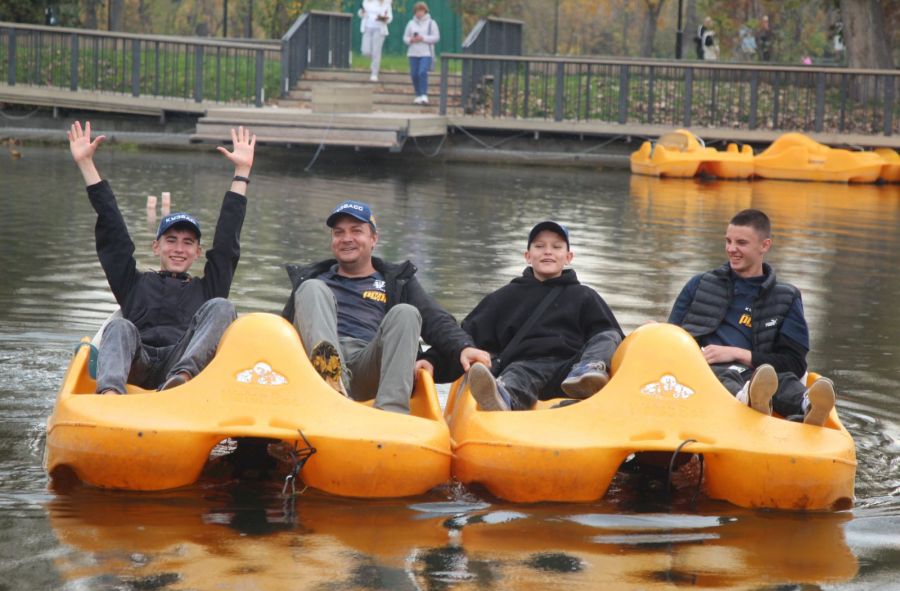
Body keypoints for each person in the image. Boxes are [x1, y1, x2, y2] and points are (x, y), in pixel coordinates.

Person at [68, 121, 256, 395]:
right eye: (171, 241)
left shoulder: (207, 288)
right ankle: (109, 397)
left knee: (223, 306)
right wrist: (87, 165)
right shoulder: (133, 283)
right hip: (137, 361)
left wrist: (241, 172)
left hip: (180, 363)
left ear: (197, 252)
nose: (179, 249)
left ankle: (182, 379)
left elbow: (228, 243)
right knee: (119, 325)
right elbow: (113, 232)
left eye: (188, 243)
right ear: (156, 247)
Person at [281, 201, 490, 414]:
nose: (346, 239)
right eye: (338, 232)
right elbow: (283, 330)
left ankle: (392, 413)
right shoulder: (312, 279)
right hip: (314, 368)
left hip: (369, 363)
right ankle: (331, 380)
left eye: (356, 231)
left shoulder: (396, 281)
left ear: (373, 238)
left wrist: (463, 346)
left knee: (406, 313)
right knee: (312, 288)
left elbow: (436, 319)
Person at [425, 222, 623, 412]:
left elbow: (615, 342)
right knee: (519, 372)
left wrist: (645, 335)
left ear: (568, 257)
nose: (548, 251)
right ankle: (504, 396)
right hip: (527, 366)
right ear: (528, 256)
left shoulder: (585, 296)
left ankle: (588, 378)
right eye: (539, 246)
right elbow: (467, 337)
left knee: (609, 335)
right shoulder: (504, 297)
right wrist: (431, 360)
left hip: (571, 372)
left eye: (556, 247)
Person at [667, 209, 835, 426]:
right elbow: (673, 337)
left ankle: (808, 404)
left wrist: (739, 353)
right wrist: (658, 332)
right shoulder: (699, 284)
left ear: (764, 245)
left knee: (779, 379)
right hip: (704, 370)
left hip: (758, 373)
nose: (731, 249)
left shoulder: (786, 297)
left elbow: (794, 363)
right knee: (725, 375)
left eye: (741, 243)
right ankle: (745, 400)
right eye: (728, 241)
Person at [403, 1, 440, 105]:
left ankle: (424, 94)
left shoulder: (431, 23)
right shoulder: (411, 23)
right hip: (413, 53)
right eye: (417, 11)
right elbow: (405, 37)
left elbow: (436, 37)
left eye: (421, 11)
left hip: (426, 53)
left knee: (422, 72)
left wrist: (423, 38)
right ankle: (418, 94)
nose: (419, 13)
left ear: (425, 11)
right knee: (414, 74)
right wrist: (411, 40)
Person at [358, 0, 392, 82]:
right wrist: (361, 13)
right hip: (367, 28)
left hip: (379, 29)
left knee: (376, 52)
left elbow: (390, 17)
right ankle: (373, 61)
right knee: (365, 51)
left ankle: (374, 73)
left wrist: (384, 18)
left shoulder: (386, 3)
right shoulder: (366, 2)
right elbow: (361, 13)